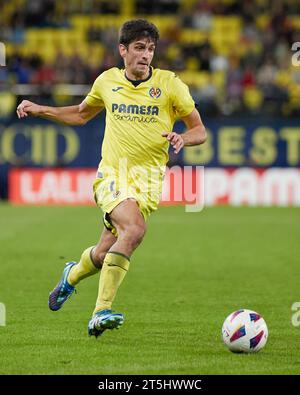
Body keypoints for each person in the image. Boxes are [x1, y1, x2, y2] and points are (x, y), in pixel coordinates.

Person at [16, 19, 207, 338]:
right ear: (123, 50)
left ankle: (71, 276)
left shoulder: (171, 85)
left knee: (105, 252)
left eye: (150, 49)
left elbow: (199, 129)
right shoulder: (106, 82)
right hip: (112, 175)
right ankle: (100, 311)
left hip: (148, 184)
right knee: (134, 229)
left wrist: (182, 139)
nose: (146, 55)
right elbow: (80, 114)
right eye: (139, 48)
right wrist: (40, 110)